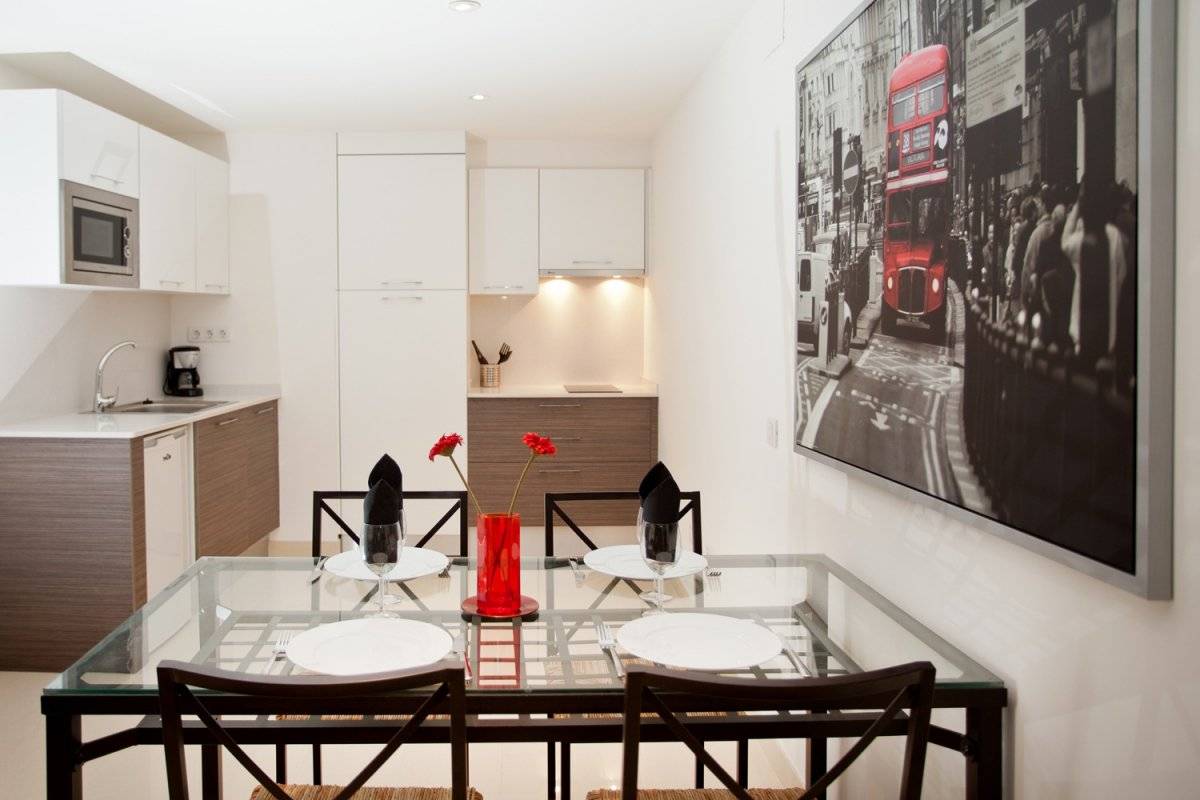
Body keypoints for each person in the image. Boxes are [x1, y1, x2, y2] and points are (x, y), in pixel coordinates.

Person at [1060, 179, 1133, 363]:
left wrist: (1078, 206)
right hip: (1109, 333)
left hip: (1082, 332)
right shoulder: (1115, 236)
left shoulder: (1082, 238)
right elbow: (1122, 274)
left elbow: (1065, 242)